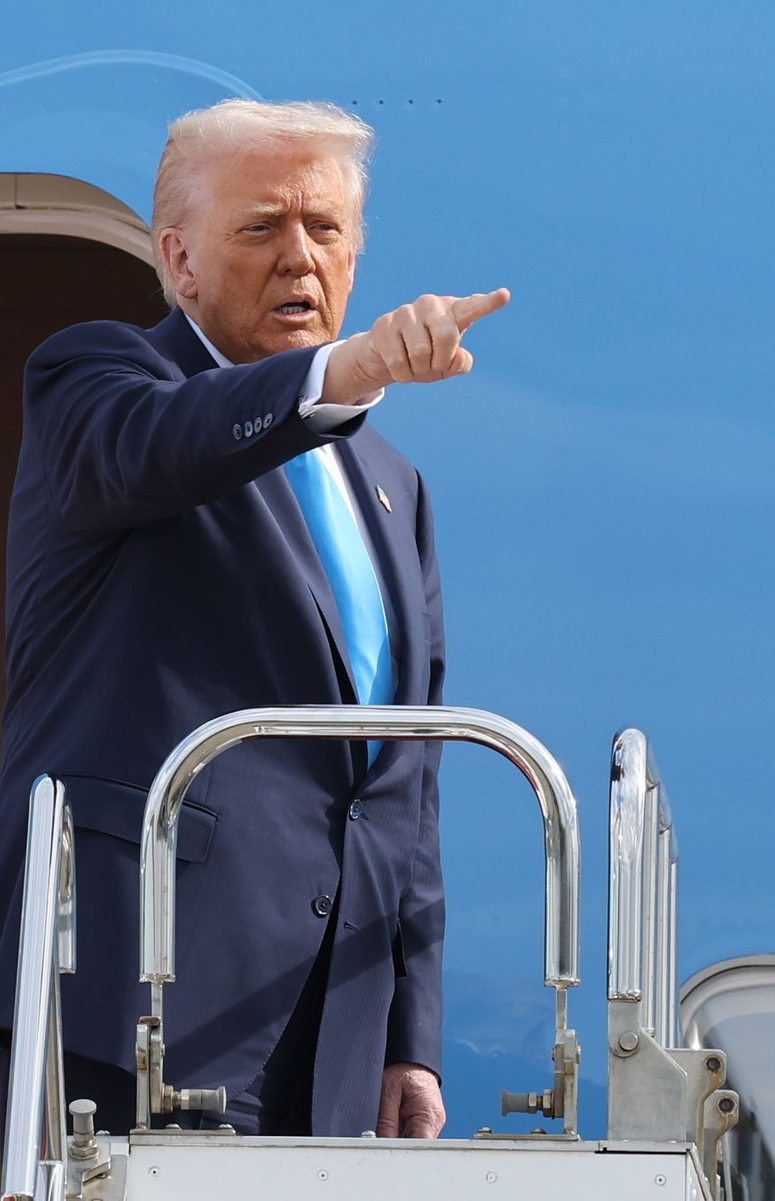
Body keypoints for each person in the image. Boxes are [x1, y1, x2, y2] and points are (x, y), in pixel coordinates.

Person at [0, 98, 509, 1139]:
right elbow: (155, 447)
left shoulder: (393, 485)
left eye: (325, 229)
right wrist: (347, 371)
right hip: (133, 1004)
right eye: (262, 226)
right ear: (179, 259)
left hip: (328, 1037)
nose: (300, 256)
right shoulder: (96, 379)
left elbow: (403, 781)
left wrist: (408, 1033)